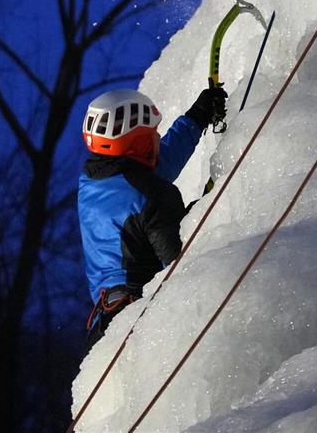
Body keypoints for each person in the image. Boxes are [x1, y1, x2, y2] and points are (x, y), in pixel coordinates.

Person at [78, 85, 226, 349]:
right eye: (152, 134)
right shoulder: (152, 196)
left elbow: (153, 169)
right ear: (138, 142)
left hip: (103, 327)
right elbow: (181, 262)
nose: (157, 139)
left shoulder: (94, 180)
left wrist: (197, 117)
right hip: (140, 324)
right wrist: (203, 210)